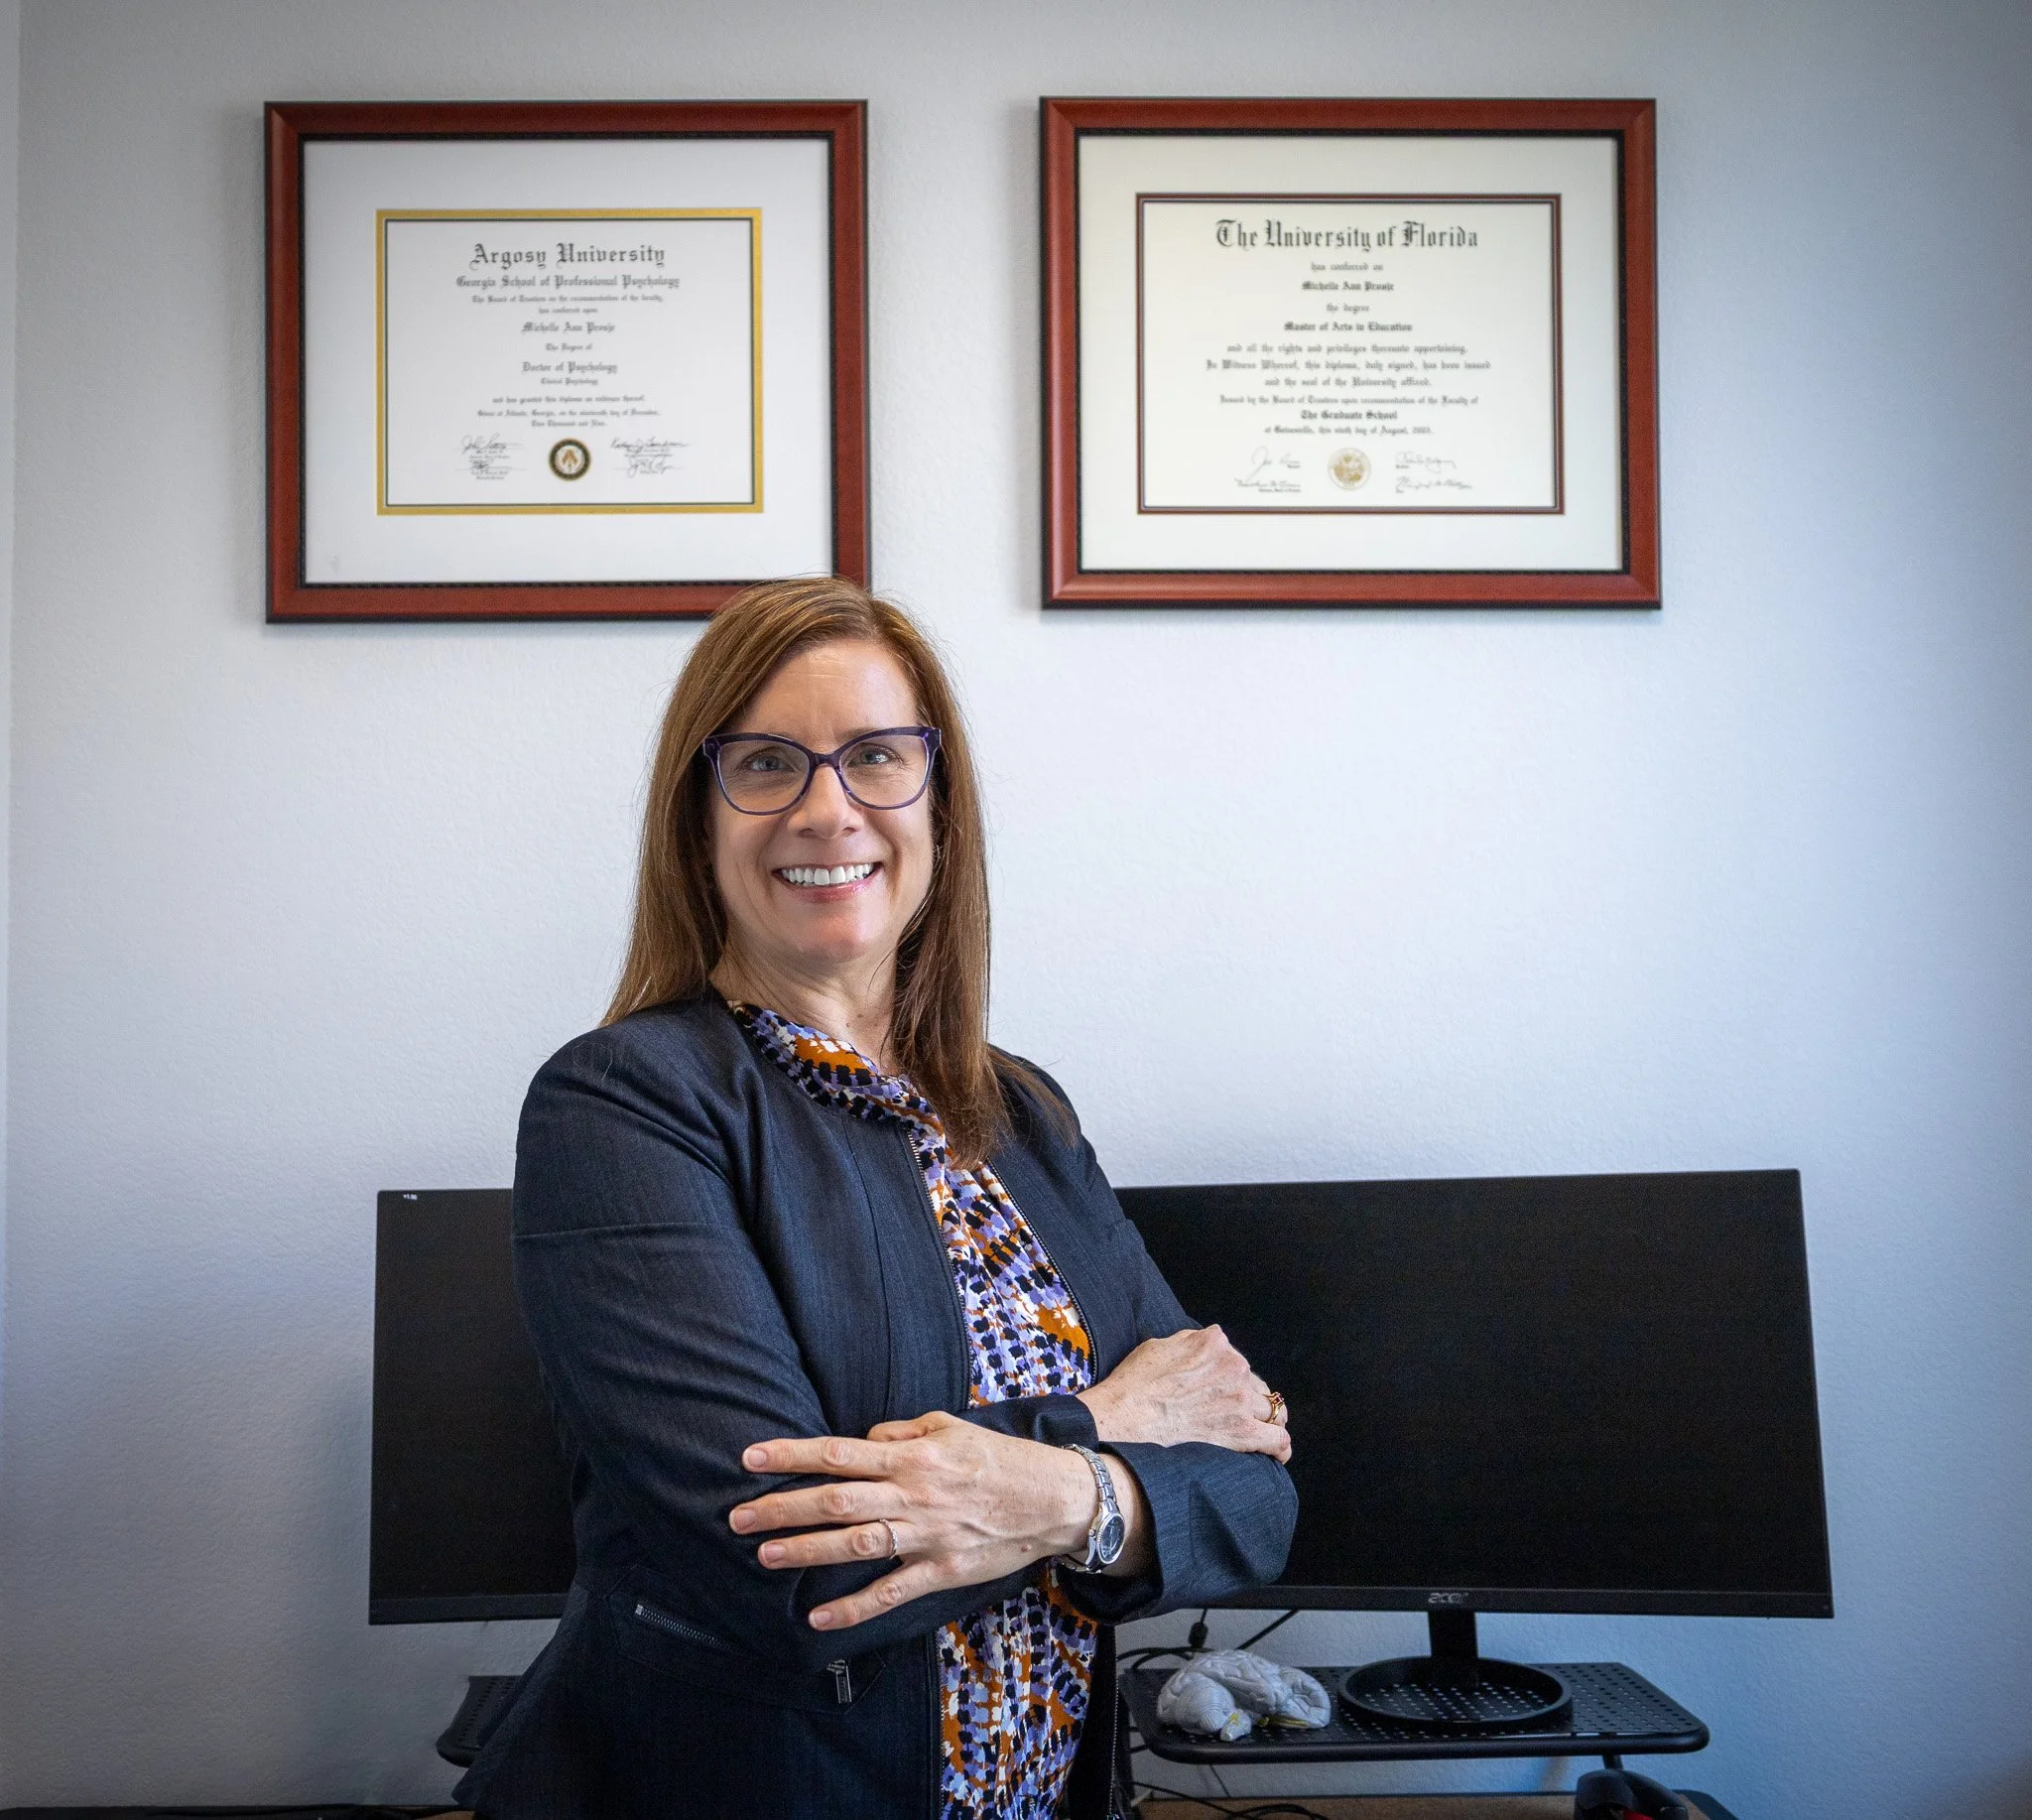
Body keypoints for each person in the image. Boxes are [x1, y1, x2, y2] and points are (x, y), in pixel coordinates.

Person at [456, 578, 1297, 1819]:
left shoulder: (1021, 1113)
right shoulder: (623, 1104)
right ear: (699, 819)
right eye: (765, 763)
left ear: (936, 808)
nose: (824, 807)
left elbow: (1255, 1485)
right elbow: (785, 1565)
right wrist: (1106, 1439)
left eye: (876, 757)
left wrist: (1060, 1492)